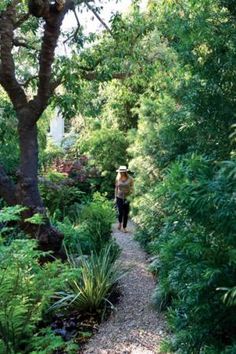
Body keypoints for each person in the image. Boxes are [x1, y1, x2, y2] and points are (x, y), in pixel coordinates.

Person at [115, 166, 134, 233]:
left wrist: (130, 192)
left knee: (126, 213)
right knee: (120, 212)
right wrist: (115, 197)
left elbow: (132, 187)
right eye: (121, 171)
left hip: (127, 197)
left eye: (123, 171)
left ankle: (124, 227)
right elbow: (116, 188)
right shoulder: (118, 178)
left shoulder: (130, 179)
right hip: (119, 197)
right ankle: (120, 223)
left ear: (125, 171)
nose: (122, 172)